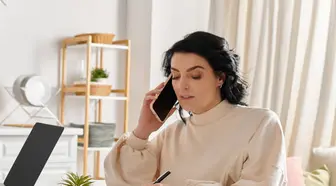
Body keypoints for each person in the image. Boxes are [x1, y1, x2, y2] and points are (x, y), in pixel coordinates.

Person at [103, 31, 287, 186]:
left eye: (195, 76)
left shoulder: (261, 123)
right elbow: (122, 180)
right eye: (175, 76)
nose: (182, 86)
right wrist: (143, 130)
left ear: (220, 78)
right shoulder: (172, 134)